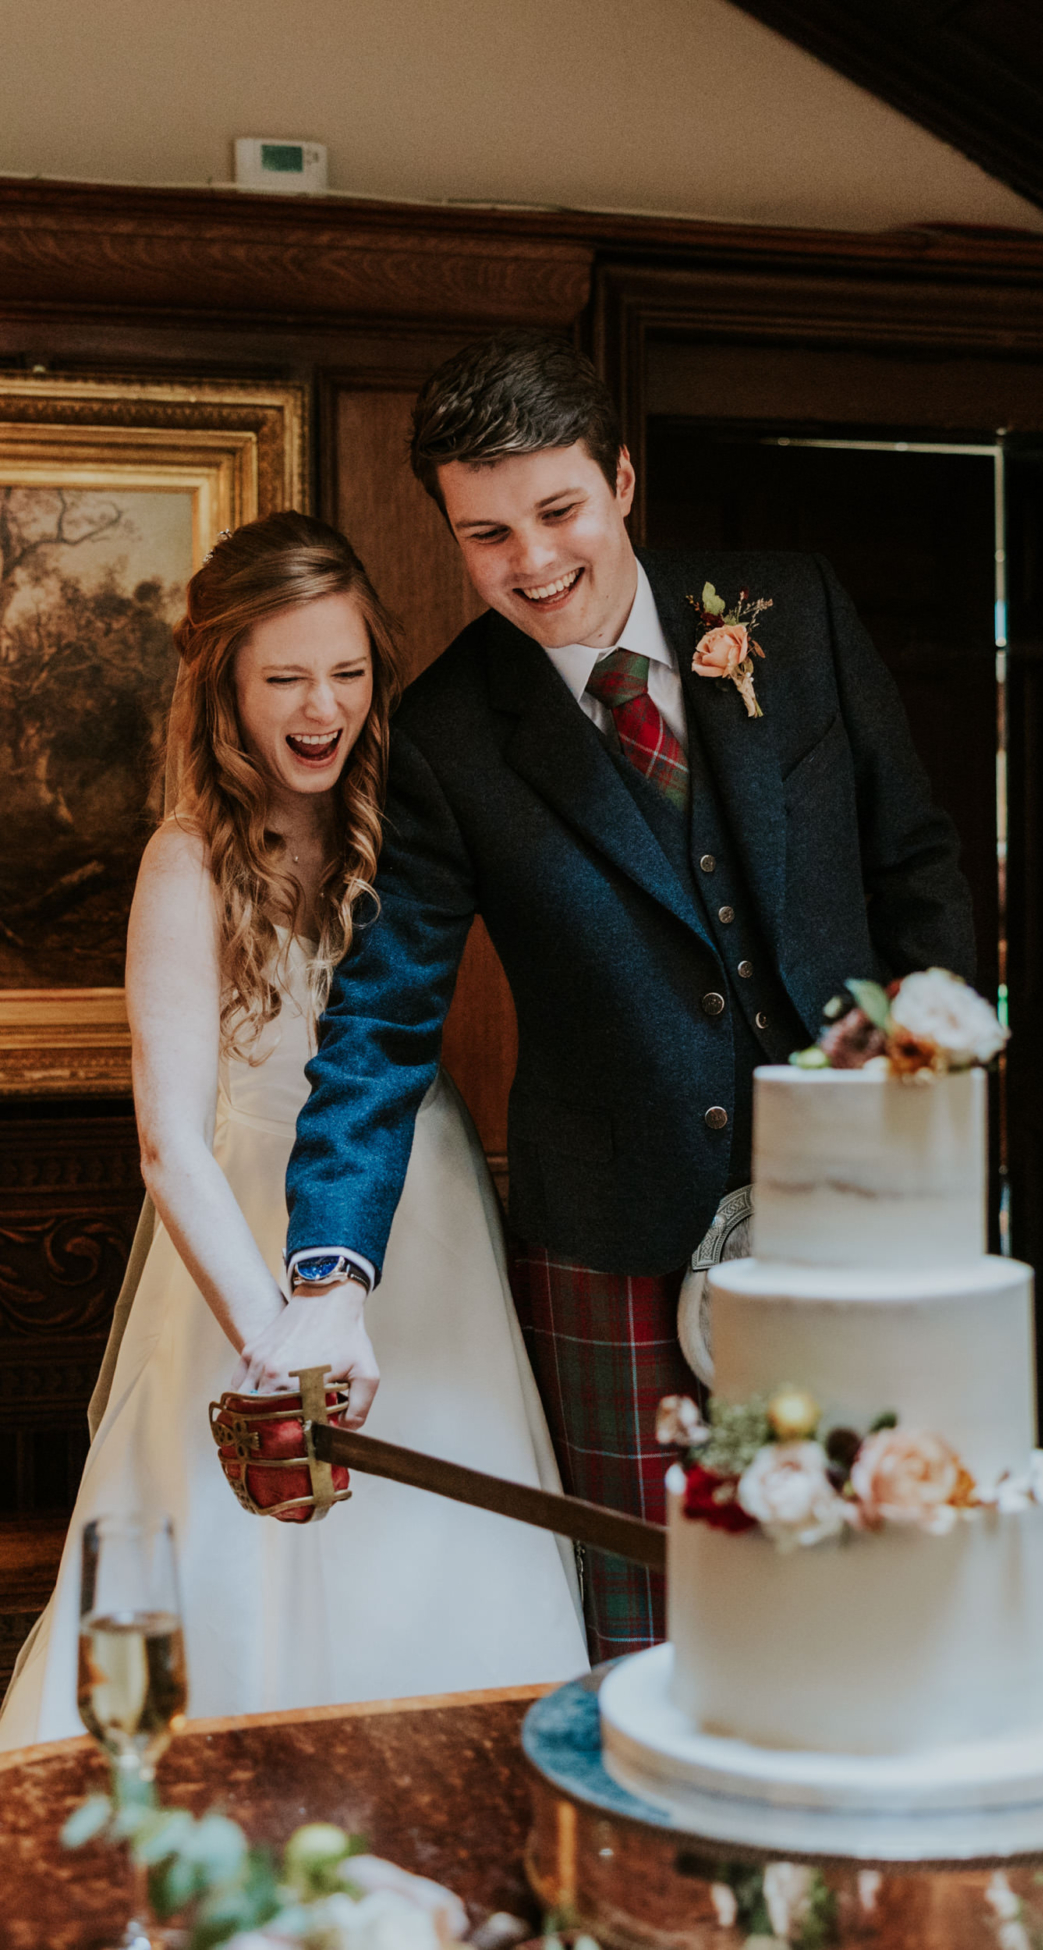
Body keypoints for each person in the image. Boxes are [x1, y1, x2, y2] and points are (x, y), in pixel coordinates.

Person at [281, 332, 978, 1662]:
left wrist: (934, 1103)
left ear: (622, 478)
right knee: (650, 1637)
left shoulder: (793, 610)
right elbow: (380, 1017)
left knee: (874, 1586)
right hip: (610, 1233)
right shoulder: (446, 733)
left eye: (558, 511)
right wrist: (327, 1266)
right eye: (486, 534)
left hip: (861, 1199)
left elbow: (916, 866)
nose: (533, 562)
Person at [0, 512, 586, 1748]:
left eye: (348, 671)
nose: (323, 706)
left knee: (448, 1560)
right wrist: (277, 1343)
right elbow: (171, 1145)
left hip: (426, 1224)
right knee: (254, 1567)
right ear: (222, 687)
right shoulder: (186, 865)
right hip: (249, 1254)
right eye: (284, 680)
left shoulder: (409, 814)